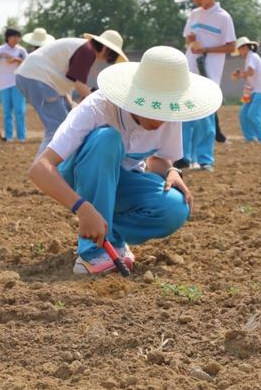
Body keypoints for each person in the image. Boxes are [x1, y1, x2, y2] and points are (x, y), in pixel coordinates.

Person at [28, 46, 223, 275]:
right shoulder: (98, 108)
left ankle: (110, 238)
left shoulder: (169, 113)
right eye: (153, 108)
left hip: (123, 182)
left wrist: (171, 171)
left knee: (175, 207)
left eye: (166, 111)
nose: (160, 121)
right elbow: (40, 169)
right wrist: (82, 208)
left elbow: (157, 160)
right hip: (81, 178)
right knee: (107, 138)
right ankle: (91, 255)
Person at [15, 30, 127, 155]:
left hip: (31, 76)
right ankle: (42, 168)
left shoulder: (83, 47)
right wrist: (97, 99)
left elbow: (69, 81)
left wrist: (71, 104)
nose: (108, 59)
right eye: (111, 55)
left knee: (66, 122)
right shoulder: (87, 51)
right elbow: (79, 84)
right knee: (57, 129)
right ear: (106, 48)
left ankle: (51, 166)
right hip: (37, 78)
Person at [174, 0, 236, 172]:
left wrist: (206, 51)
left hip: (209, 74)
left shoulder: (223, 17)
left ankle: (205, 159)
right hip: (188, 70)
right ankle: (184, 157)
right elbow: (188, 40)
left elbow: (231, 47)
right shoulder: (194, 15)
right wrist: (191, 40)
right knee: (184, 114)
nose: (196, 1)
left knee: (205, 117)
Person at [231, 37, 261, 143]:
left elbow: (250, 73)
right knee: (243, 114)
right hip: (255, 91)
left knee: (252, 115)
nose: (240, 53)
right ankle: (250, 139)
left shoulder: (252, 57)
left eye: (240, 50)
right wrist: (246, 93)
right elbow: (250, 77)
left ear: (245, 47)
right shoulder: (250, 58)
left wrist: (239, 74)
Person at [0, 28, 28, 143]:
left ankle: (21, 137)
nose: (16, 39)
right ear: (8, 37)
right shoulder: (0, 49)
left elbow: (29, 62)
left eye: (18, 37)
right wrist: (1, 55)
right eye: (14, 36)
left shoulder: (21, 50)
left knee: (20, 110)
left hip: (18, 83)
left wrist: (17, 60)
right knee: (7, 111)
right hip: (4, 83)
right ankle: (9, 136)